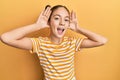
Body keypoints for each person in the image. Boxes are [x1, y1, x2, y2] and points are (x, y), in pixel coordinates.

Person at [0, 5, 107, 80]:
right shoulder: (40, 44)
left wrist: (78, 29)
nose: (62, 23)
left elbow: (102, 41)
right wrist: (37, 26)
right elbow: (6, 38)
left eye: (66, 20)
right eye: (57, 18)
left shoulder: (72, 43)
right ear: (49, 22)